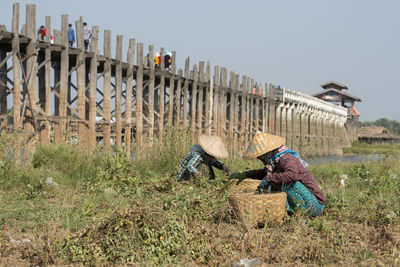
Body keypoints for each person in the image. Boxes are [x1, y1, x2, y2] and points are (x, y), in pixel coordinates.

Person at [229, 132, 325, 217]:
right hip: (307, 202)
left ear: (267, 153)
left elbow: (292, 175)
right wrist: (245, 174)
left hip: (314, 205)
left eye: (260, 156)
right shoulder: (276, 161)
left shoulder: (286, 158)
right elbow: (264, 173)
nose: (259, 159)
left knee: (287, 183)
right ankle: (293, 212)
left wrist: (269, 178)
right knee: (275, 179)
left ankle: (302, 214)